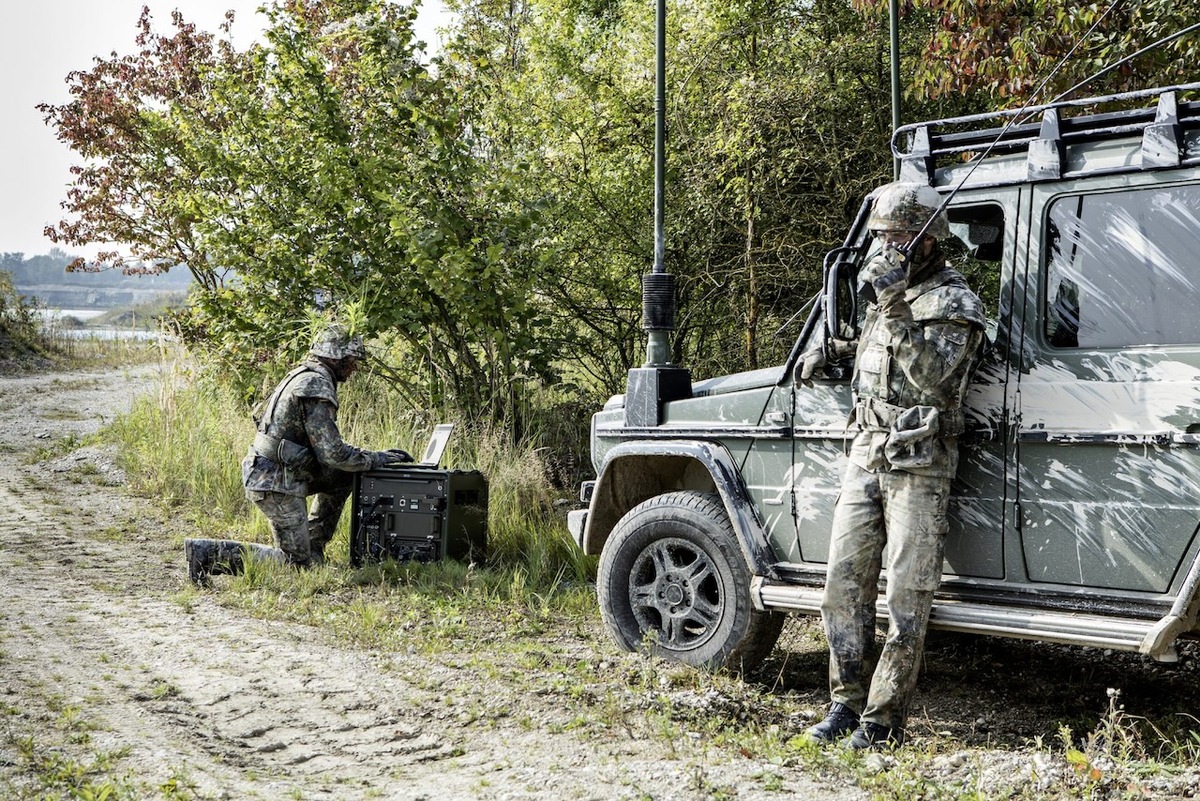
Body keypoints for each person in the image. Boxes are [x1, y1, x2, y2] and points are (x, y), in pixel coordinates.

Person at [799, 181, 986, 750]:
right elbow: (874, 350)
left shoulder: (956, 302)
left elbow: (931, 377)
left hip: (920, 463)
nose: (888, 245)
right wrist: (829, 350)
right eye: (882, 234)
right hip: (866, 452)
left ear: (930, 238)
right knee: (841, 587)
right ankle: (843, 705)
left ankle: (881, 721)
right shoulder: (891, 295)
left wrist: (894, 305)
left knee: (907, 596)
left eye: (901, 234)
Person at [185, 325, 413, 584]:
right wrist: (376, 458)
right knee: (295, 566)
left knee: (344, 477)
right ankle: (205, 554)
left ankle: (313, 548)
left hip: (281, 473)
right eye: (350, 361)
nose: (354, 369)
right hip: (274, 481)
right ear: (335, 358)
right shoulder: (315, 384)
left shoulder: (304, 375)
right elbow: (333, 454)